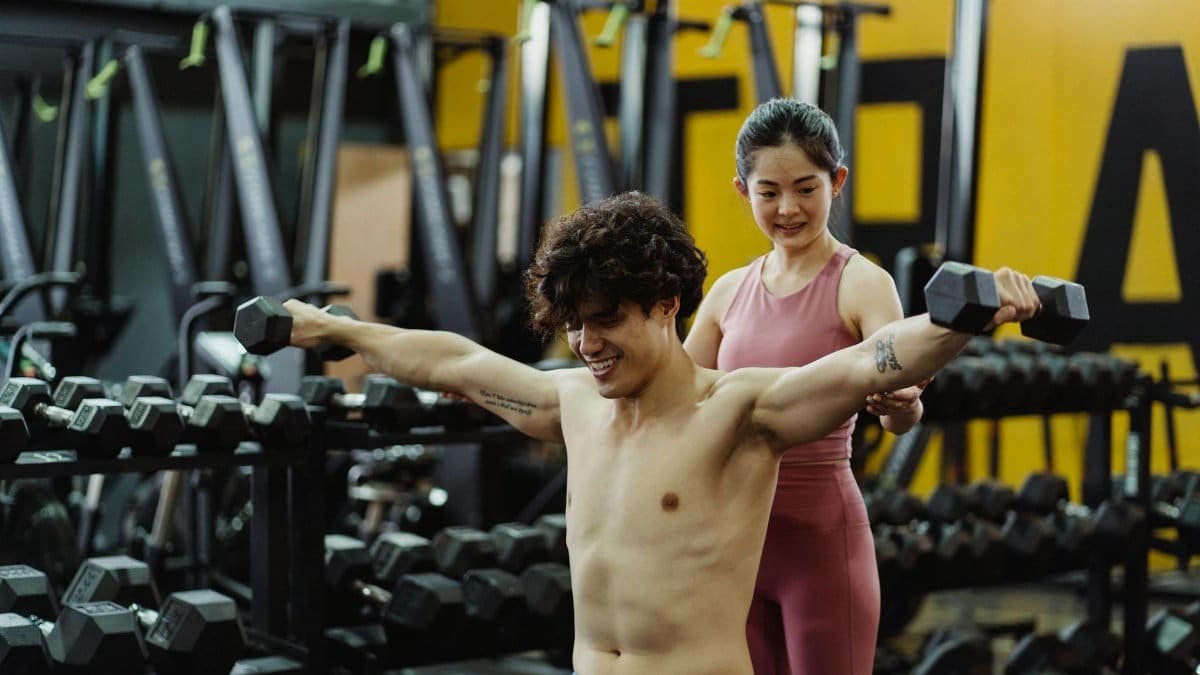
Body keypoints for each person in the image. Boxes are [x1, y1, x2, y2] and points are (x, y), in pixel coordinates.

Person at [283, 191, 1040, 675]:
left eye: (606, 319)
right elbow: (453, 361)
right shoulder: (572, 404)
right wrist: (332, 329)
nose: (587, 344)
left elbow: (867, 364)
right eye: (574, 325)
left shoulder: (740, 413)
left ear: (667, 304)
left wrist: (964, 318)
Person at [683, 98, 920, 674]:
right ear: (743, 191)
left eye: (806, 189)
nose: (787, 208)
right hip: (734, 544)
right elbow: (678, 401)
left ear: (837, 181)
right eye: (768, 192)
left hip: (820, 540)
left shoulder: (863, 284)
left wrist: (901, 403)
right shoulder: (729, 292)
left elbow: (902, 414)